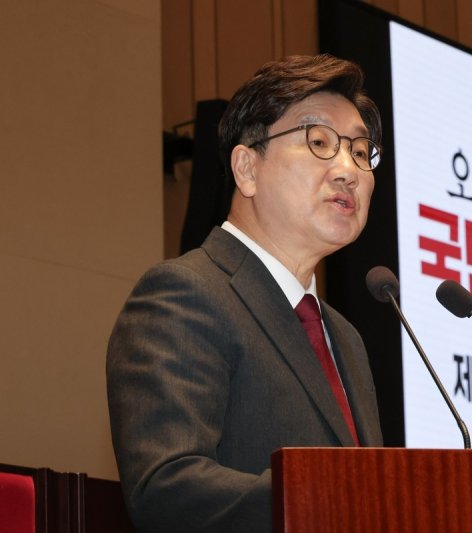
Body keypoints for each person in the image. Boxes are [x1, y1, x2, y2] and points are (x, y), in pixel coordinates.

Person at [106, 54, 384, 532]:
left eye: (361, 152)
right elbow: (165, 488)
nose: (348, 170)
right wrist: (338, 500)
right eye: (320, 142)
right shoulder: (186, 294)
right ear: (247, 168)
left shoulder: (346, 338)